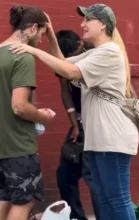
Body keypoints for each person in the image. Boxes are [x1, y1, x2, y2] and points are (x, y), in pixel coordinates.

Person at [10, 4, 139, 219]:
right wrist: (51, 36)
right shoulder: (98, 52)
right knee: (106, 198)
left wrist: (32, 49)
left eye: (88, 20)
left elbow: (70, 71)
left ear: (103, 25)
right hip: (100, 139)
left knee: (117, 199)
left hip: (112, 137)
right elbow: (61, 65)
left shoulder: (110, 52)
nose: (82, 24)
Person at [0, 5, 54, 220]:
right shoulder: (23, 56)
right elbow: (19, 106)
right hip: (18, 146)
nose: (40, 40)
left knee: (4, 197)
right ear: (33, 28)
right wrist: (43, 116)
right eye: (41, 33)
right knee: (24, 200)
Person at [54, 30, 99, 220]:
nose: (71, 61)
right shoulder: (61, 59)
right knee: (64, 176)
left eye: (74, 56)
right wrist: (74, 123)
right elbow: (65, 91)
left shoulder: (96, 55)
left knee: (96, 179)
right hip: (80, 122)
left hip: (98, 124)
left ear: (81, 45)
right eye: (68, 58)